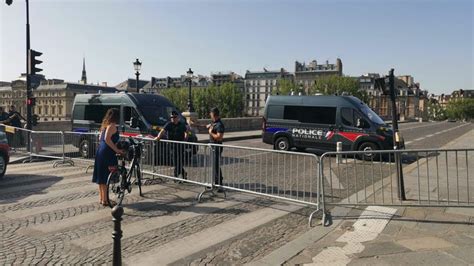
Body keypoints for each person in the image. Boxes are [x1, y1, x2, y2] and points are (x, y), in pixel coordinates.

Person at [92, 108, 124, 206]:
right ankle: (106, 200)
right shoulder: (112, 126)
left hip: (100, 150)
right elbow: (107, 139)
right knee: (106, 176)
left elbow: (101, 138)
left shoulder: (104, 125)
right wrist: (117, 150)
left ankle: (102, 198)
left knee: (101, 176)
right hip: (107, 152)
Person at [155, 110, 188, 181]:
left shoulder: (181, 124)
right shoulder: (169, 124)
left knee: (179, 161)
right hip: (172, 146)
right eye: (172, 117)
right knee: (175, 161)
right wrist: (158, 137)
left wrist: (186, 137)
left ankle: (175, 176)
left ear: (177, 117)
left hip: (180, 146)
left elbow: (186, 132)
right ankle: (182, 174)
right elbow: (162, 131)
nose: (173, 118)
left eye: (174, 117)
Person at [207, 107, 225, 191]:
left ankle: (219, 184)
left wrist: (210, 132)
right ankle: (215, 182)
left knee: (216, 165)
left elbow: (219, 137)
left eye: (210, 113)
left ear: (214, 114)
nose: (209, 115)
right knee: (214, 166)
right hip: (213, 147)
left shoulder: (219, 124)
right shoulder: (214, 123)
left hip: (216, 147)